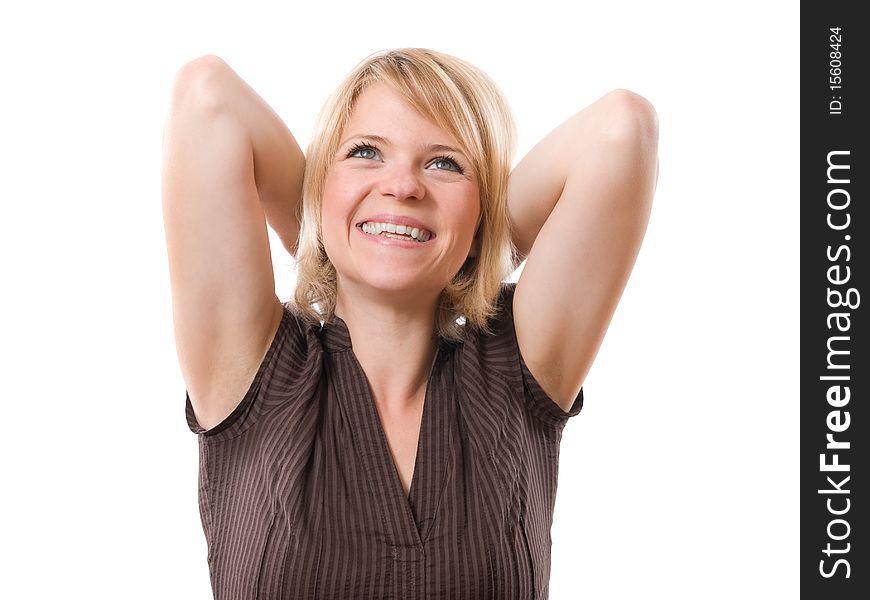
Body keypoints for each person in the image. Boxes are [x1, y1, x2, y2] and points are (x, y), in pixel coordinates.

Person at [162, 48, 657, 599]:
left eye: (444, 164)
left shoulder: (514, 367)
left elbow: (622, 128)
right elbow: (208, 97)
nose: (403, 185)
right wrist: (332, 230)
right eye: (366, 152)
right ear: (320, 187)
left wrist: (466, 239)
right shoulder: (258, 370)